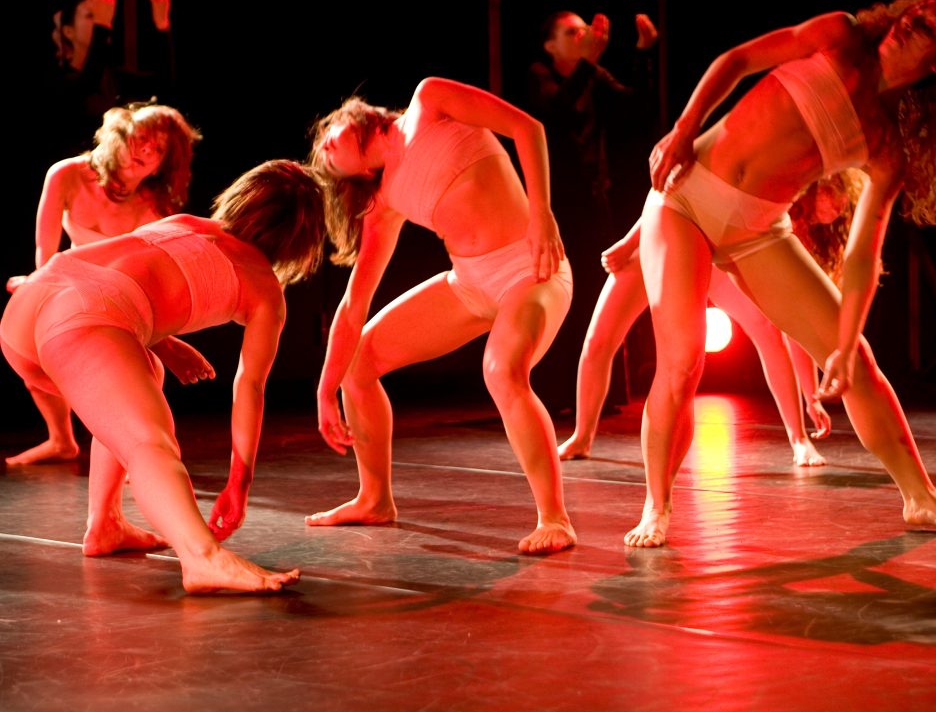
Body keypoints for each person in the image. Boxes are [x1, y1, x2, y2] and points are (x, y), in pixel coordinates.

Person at [632, 0, 936, 547]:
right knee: (681, 362)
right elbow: (736, 61)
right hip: (684, 197)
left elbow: (861, 255)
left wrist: (846, 345)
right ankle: (656, 506)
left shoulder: (885, 146)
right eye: (913, 12)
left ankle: (920, 497)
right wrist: (684, 129)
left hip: (758, 229)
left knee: (862, 364)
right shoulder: (838, 35)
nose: (908, 23)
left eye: (927, 28)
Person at [0, 160, 328, 593]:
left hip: (30, 306)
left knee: (142, 376)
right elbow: (248, 386)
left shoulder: (187, 222)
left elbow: (119, 278)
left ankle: (106, 524)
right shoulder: (265, 290)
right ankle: (202, 558)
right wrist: (238, 483)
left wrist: (164, 344)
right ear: (301, 243)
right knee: (150, 441)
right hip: (81, 321)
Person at [305, 76, 576, 554]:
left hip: (531, 270)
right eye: (326, 159)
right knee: (359, 361)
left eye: (326, 136)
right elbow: (354, 302)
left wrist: (542, 212)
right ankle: (374, 498)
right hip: (470, 284)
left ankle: (554, 518)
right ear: (352, 177)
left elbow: (527, 128)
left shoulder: (429, 102)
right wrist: (327, 387)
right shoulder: (383, 200)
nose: (325, 144)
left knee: (502, 370)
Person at [557, 172, 866, 467]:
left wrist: (811, 397)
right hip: (659, 245)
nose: (841, 206)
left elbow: (793, 328)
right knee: (598, 340)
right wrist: (628, 242)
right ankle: (582, 436)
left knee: (766, 329)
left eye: (846, 202)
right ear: (817, 183)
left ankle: (799, 439)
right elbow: (668, 193)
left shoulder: (801, 229)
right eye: (837, 193)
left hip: (709, 256)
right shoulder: (765, 183)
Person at [5, 101, 204, 466]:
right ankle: (61, 439)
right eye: (142, 138)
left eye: (157, 148)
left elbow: (153, 272)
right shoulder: (66, 174)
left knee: (136, 371)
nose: (145, 151)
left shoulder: (153, 204)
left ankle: (138, 450)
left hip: (122, 295)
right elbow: (45, 250)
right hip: (67, 280)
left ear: (165, 164)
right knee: (26, 337)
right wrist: (38, 285)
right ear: (121, 134)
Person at [525, 10, 659, 412]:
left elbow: (637, 107)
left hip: (594, 200)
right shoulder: (538, 75)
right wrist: (587, 64)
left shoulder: (593, 75)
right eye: (571, 32)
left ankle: (603, 394)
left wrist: (644, 53)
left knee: (600, 293)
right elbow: (552, 116)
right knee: (556, 293)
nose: (581, 36)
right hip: (554, 206)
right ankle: (555, 391)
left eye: (584, 31)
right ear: (551, 45)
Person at [48, 0, 177, 156]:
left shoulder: (113, 78)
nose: (104, 16)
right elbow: (86, 87)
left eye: (104, 14)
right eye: (90, 15)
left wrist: (162, 26)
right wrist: (101, 27)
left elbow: (164, 88)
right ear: (68, 31)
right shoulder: (58, 82)